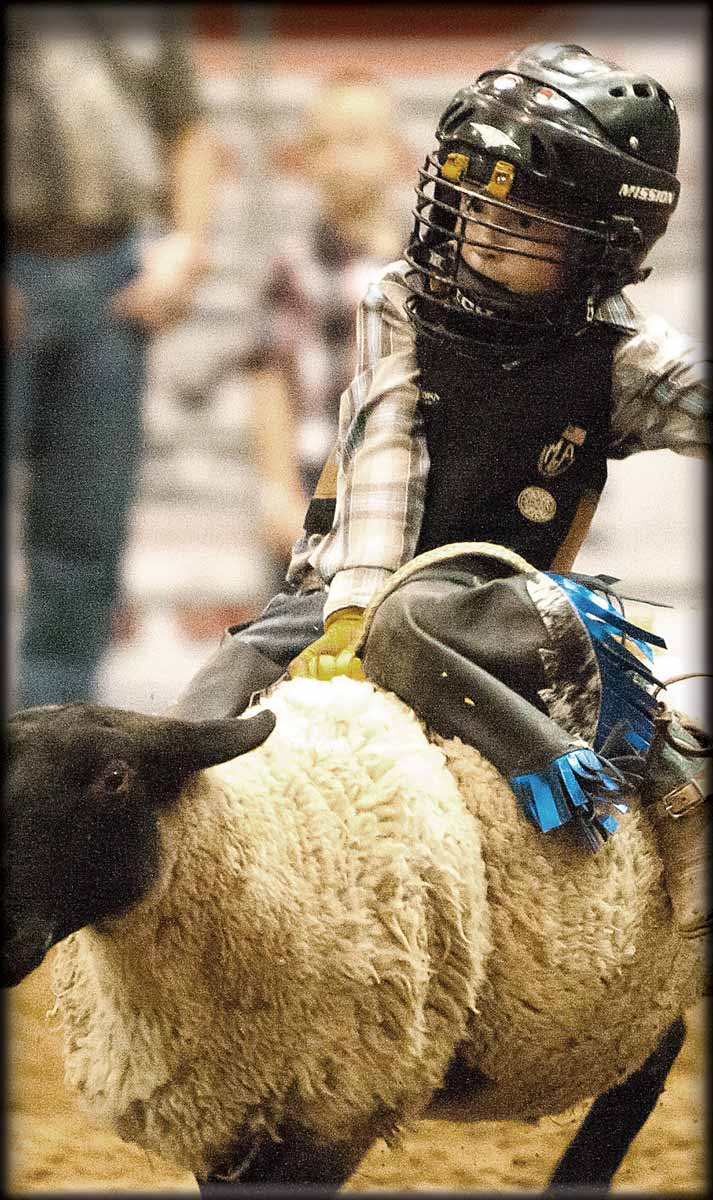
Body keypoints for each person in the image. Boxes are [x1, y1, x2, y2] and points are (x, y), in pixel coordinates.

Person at [172, 43, 709, 936]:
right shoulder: (398, 298)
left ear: (603, 248)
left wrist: (373, 616)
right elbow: (382, 447)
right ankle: (179, 842)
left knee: (415, 617)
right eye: (475, 200)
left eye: (525, 220)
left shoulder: (616, 355)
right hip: (352, 591)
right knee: (231, 668)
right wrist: (344, 610)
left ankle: (663, 781)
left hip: (503, 611)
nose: (485, 230)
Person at [7, 5, 218, 710]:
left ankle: (48, 740)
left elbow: (185, 124)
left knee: (85, 540)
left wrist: (187, 248)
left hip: (112, 274)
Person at [239, 73, 410, 587]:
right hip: (315, 483)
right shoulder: (290, 268)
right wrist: (274, 487)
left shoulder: (426, 269)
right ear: (306, 161)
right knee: (301, 646)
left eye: (358, 141)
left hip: (404, 484)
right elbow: (269, 378)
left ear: (395, 152)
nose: (341, 159)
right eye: (325, 144)